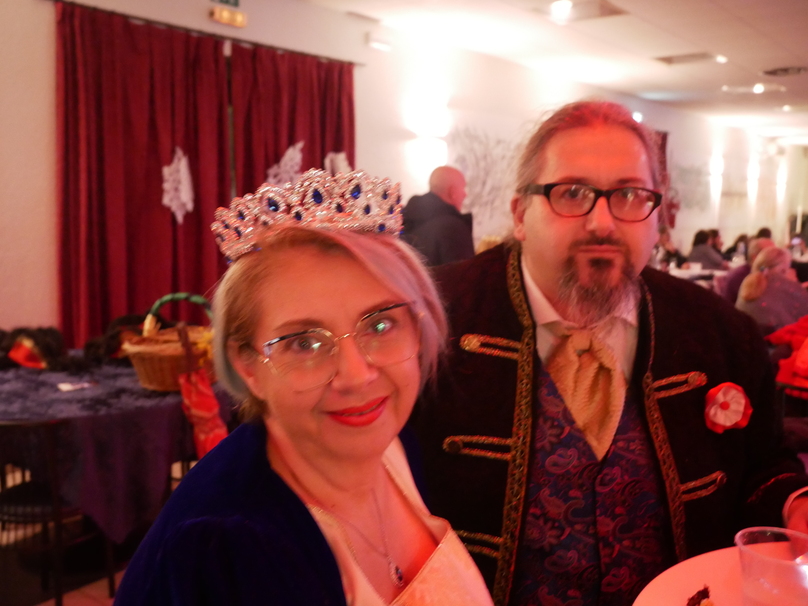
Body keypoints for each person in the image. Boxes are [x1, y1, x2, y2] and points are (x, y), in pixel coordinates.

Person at [413, 100, 808, 605]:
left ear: (656, 217)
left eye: (629, 195)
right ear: (520, 214)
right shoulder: (431, 322)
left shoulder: (721, 332)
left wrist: (796, 502)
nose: (602, 223)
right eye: (571, 193)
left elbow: (764, 463)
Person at [115, 170, 494, 606]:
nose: (357, 376)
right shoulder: (226, 549)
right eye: (304, 343)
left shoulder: (393, 445)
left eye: (380, 325)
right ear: (248, 366)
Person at [402, 166, 474, 266]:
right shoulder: (453, 228)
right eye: (463, 188)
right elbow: (466, 273)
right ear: (452, 192)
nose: (465, 194)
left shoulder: (405, 221)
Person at [736, 246, 808, 335]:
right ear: (783, 270)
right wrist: (795, 284)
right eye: (789, 266)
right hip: (775, 340)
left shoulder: (749, 281)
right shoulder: (785, 286)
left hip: (746, 337)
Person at [720, 237, 774, 304]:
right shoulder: (741, 277)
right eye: (770, 254)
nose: (775, 259)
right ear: (755, 257)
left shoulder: (760, 274)